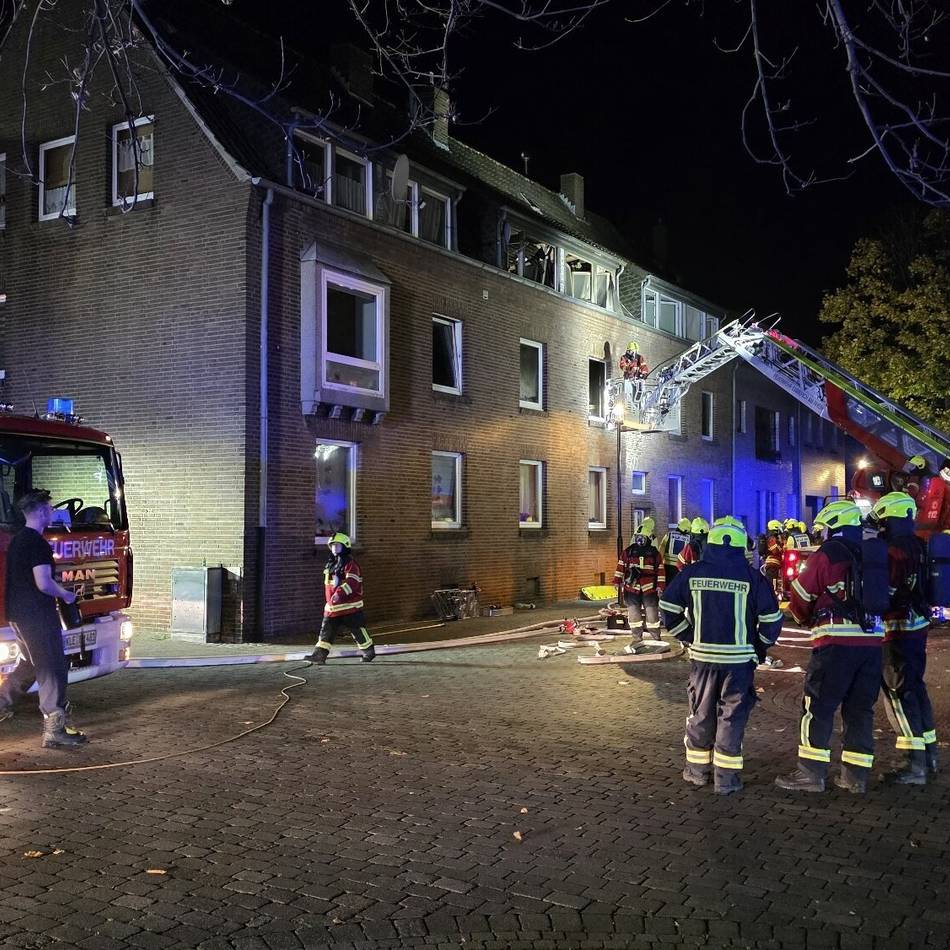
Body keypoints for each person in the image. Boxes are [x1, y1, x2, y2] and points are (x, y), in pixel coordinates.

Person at [660, 516, 784, 795]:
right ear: (742, 545)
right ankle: (726, 780)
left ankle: (696, 772)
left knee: (700, 714)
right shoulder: (753, 577)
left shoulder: (692, 573)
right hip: (739, 662)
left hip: (703, 660)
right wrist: (759, 647)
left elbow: (668, 605)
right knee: (732, 716)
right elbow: (772, 619)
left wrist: (688, 635)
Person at [775, 500, 884, 794]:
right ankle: (855, 778)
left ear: (833, 526)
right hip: (873, 644)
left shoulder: (828, 554)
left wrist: (802, 618)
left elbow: (801, 594)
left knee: (818, 708)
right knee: (861, 710)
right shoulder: (873, 552)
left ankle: (810, 774)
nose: (821, 534)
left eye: (824, 528)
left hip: (835, 644)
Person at [0, 489, 88, 748]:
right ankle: (55, 730)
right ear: (40, 512)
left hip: (18, 614)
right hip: (37, 615)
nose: (52, 512)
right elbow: (43, 583)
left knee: (29, 664)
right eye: (49, 509)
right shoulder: (37, 543)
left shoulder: (17, 540)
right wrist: (66, 595)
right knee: (52, 668)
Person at [871, 492, 937, 783]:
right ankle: (929, 754)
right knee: (915, 689)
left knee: (898, 693)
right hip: (918, 625)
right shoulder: (919, 545)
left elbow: (887, 590)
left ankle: (914, 764)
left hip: (897, 628)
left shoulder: (893, 550)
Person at [309, 533, 376, 664]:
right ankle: (319, 655)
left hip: (350, 607)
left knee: (357, 631)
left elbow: (352, 582)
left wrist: (339, 594)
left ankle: (369, 651)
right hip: (332, 608)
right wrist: (331, 600)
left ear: (345, 547)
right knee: (326, 632)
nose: (334, 549)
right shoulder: (331, 565)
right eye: (332, 546)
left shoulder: (351, 565)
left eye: (337, 546)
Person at [614, 517, 665, 650]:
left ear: (649, 538)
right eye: (638, 537)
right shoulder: (629, 551)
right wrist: (617, 581)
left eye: (643, 538)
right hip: (632, 589)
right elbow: (621, 566)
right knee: (634, 615)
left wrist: (660, 587)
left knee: (652, 615)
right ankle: (637, 638)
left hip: (650, 589)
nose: (640, 540)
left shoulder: (654, 554)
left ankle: (656, 638)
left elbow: (660, 571)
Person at [658, 517, 691, 587]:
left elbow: (661, 548)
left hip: (668, 566)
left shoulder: (669, 534)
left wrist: (659, 563)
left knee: (667, 587)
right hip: (681, 567)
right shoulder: (690, 538)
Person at [760, 519, 785, 595]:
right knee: (772, 581)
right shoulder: (772, 538)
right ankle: (772, 595)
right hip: (772, 564)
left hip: (774, 564)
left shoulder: (773, 537)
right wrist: (782, 545)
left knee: (774, 580)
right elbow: (775, 550)